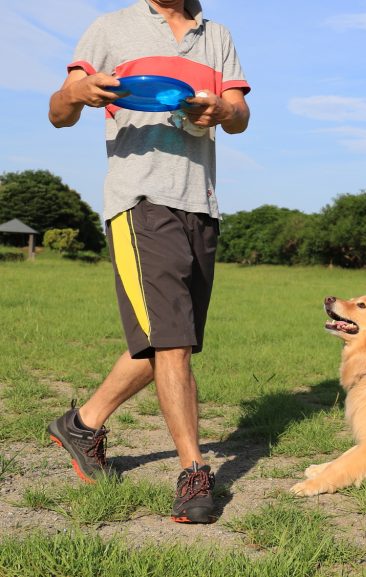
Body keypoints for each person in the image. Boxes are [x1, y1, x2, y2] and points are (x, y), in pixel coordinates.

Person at [46, 0, 250, 524]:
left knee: (168, 340)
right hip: (139, 201)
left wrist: (221, 111)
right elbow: (58, 113)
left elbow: (240, 117)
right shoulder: (111, 28)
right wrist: (76, 92)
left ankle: (82, 424)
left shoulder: (216, 35)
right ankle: (193, 473)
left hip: (201, 203)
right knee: (173, 343)